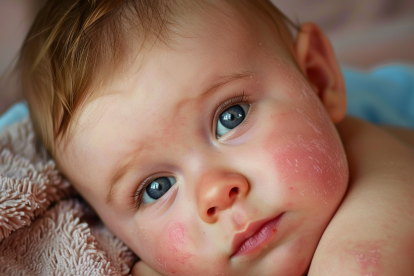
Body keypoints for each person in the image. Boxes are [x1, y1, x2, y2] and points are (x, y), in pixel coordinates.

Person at [17, 0, 414, 275]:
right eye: (156, 188)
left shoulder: (378, 197)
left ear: (317, 78)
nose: (214, 194)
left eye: (231, 117)